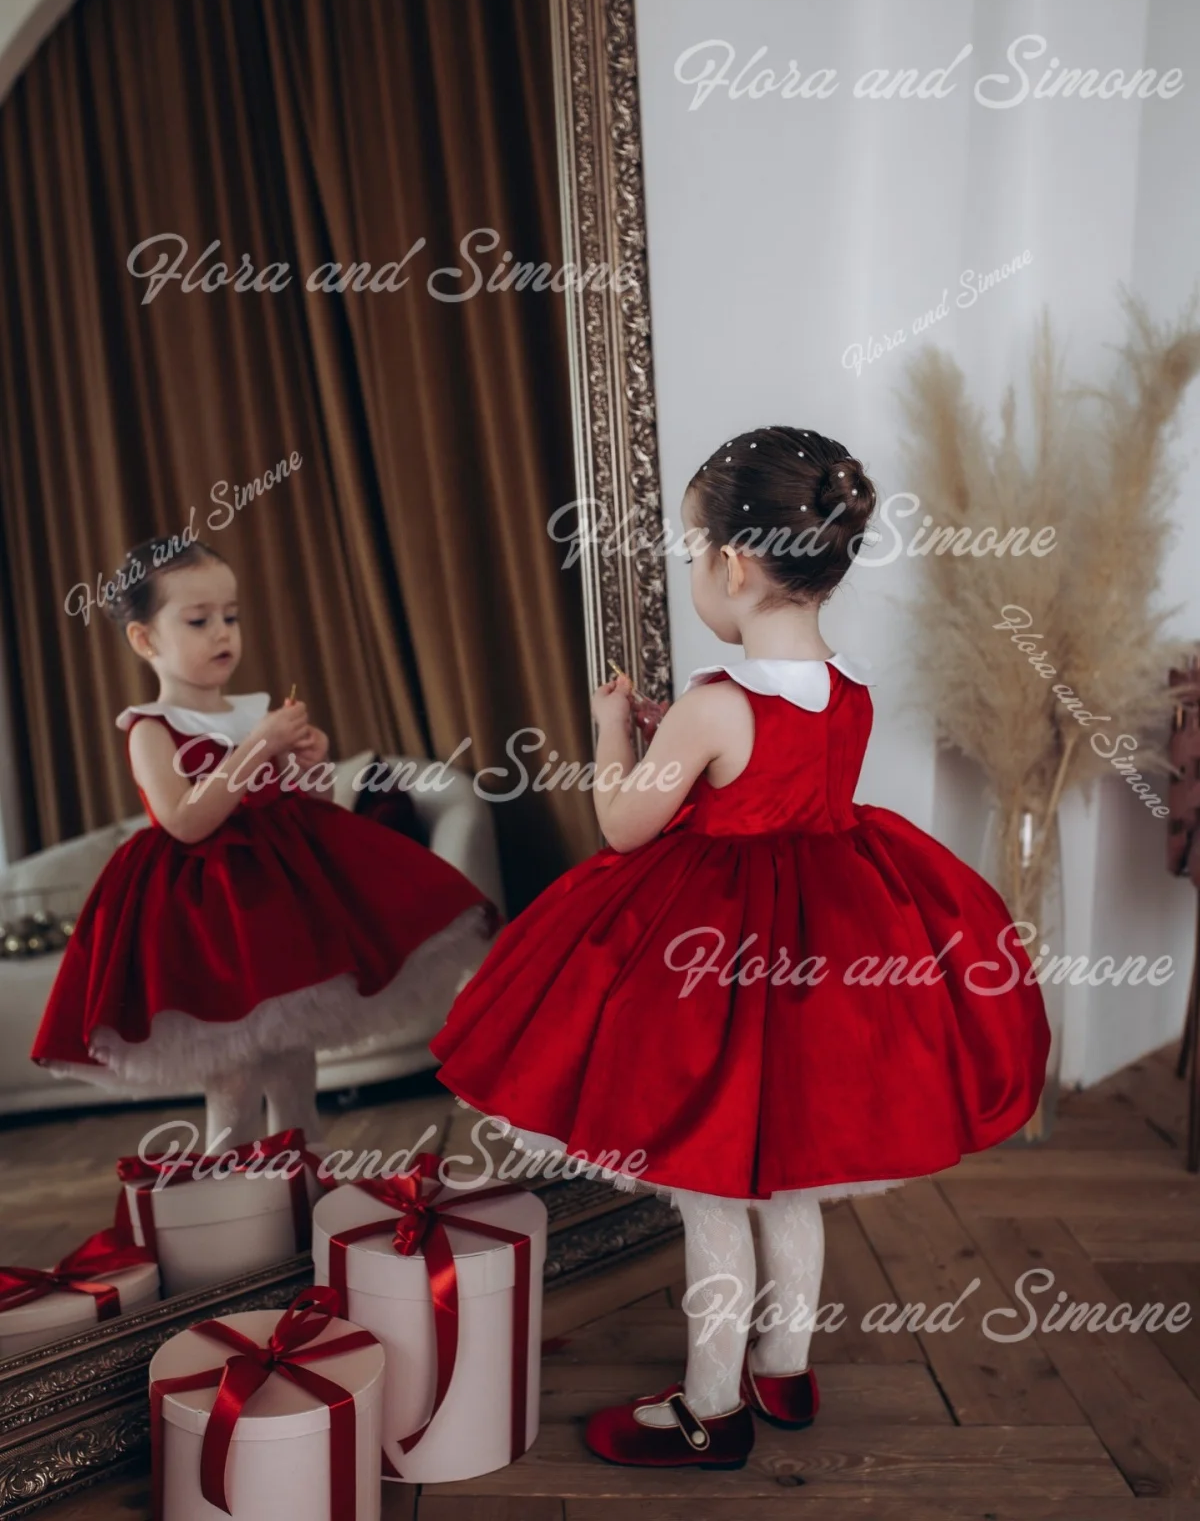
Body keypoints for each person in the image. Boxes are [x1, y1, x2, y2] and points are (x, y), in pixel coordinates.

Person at [430, 425, 1051, 1470]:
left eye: (691, 552)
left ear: (729, 561)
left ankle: (711, 1409)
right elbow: (789, 778)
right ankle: (784, 1362)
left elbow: (626, 826)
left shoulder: (717, 704)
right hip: (834, 946)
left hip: (711, 960)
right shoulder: (850, 686)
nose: (694, 573)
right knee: (794, 1184)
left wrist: (615, 729)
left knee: (718, 1191)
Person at [32, 537, 499, 1151]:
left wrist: (310, 763)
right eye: (199, 621)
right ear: (145, 640)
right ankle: (235, 1191)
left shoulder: (252, 713)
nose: (222, 632)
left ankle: (301, 1179)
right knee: (233, 1069)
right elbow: (184, 821)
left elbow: (315, 812)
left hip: (283, 912)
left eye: (231, 616)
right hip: (211, 915)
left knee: (293, 1058)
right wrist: (257, 748)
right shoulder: (150, 728)